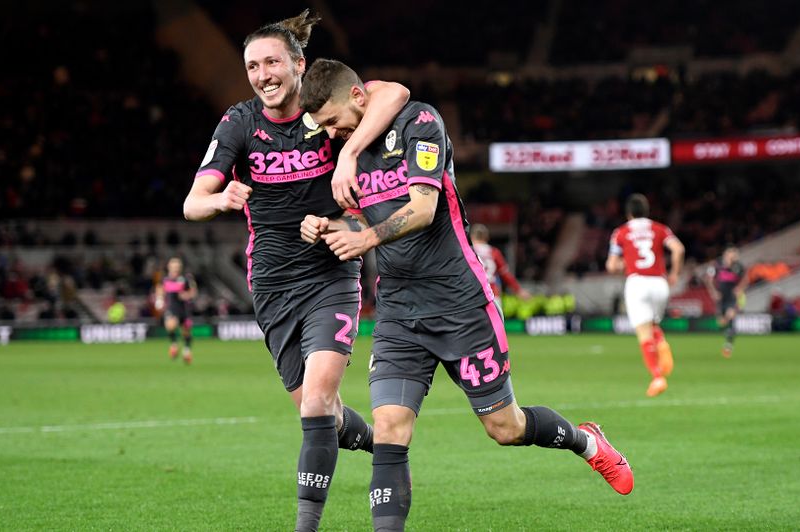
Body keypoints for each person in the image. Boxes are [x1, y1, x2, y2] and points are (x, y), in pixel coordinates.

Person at [299, 58, 633, 532]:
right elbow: (362, 215)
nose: (333, 135)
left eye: (334, 122)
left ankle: (587, 442)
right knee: (390, 429)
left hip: (460, 303)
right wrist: (328, 225)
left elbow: (422, 208)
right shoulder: (349, 153)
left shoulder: (419, 122)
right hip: (398, 311)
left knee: (505, 428)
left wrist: (366, 238)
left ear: (357, 96)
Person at [182, 11, 410, 530]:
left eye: (272, 63)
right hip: (271, 284)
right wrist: (220, 199)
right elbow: (192, 203)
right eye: (252, 66)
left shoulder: (324, 110)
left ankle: (306, 525)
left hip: (331, 275)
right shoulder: (239, 123)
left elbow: (395, 93)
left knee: (317, 400)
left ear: (299, 65)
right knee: (323, 413)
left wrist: (348, 155)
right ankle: (383, 445)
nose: (263, 75)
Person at [606, 194, 685, 398]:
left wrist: (625, 263)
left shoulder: (621, 232)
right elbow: (678, 249)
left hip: (638, 283)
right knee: (653, 325)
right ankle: (662, 342)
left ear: (629, 213)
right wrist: (675, 273)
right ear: (647, 211)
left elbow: (611, 265)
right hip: (659, 283)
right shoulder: (660, 228)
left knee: (644, 333)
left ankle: (657, 377)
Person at [470, 223, 531, 307]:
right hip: (492, 294)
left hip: (472, 295)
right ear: (486, 237)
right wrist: (518, 290)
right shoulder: (493, 252)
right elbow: (505, 274)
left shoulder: (468, 251)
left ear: (471, 237)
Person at [703, 245, 749, 357]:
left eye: (735, 255)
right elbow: (708, 279)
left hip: (732, 297)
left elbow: (746, 279)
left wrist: (739, 289)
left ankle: (728, 346)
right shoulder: (717, 265)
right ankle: (728, 335)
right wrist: (713, 292)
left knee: (730, 316)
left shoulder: (738, 267)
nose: (733, 257)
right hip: (721, 297)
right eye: (731, 254)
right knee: (722, 322)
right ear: (726, 254)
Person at [155, 257, 196, 364]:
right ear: (169, 267)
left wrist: (185, 295)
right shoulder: (165, 279)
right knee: (170, 325)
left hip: (184, 309)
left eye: (177, 267)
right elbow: (159, 289)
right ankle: (174, 344)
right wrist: (159, 300)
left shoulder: (185, 279)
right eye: (174, 266)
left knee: (186, 332)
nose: (176, 269)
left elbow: (193, 292)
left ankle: (186, 351)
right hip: (172, 308)